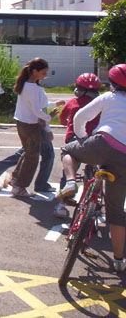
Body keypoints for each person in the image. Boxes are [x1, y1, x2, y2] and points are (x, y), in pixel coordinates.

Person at [59, 65, 126, 272]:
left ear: (112, 84)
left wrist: (82, 138)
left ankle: (71, 182)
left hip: (101, 143)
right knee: (115, 213)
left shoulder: (108, 97)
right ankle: (118, 260)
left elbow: (80, 116)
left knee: (67, 151)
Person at [8, 58, 65, 198]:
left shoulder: (26, 84)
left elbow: (36, 106)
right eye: (43, 73)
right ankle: (19, 186)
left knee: (28, 152)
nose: (45, 76)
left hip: (22, 122)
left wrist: (52, 105)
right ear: (35, 71)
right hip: (31, 125)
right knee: (32, 157)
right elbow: (37, 111)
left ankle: (15, 178)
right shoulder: (32, 88)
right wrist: (49, 117)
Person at [52, 72, 102, 218]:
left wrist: (67, 122)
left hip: (74, 141)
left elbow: (62, 119)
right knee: (97, 171)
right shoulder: (100, 104)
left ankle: (61, 204)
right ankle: (96, 203)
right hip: (95, 141)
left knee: (69, 169)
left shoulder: (73, 102)